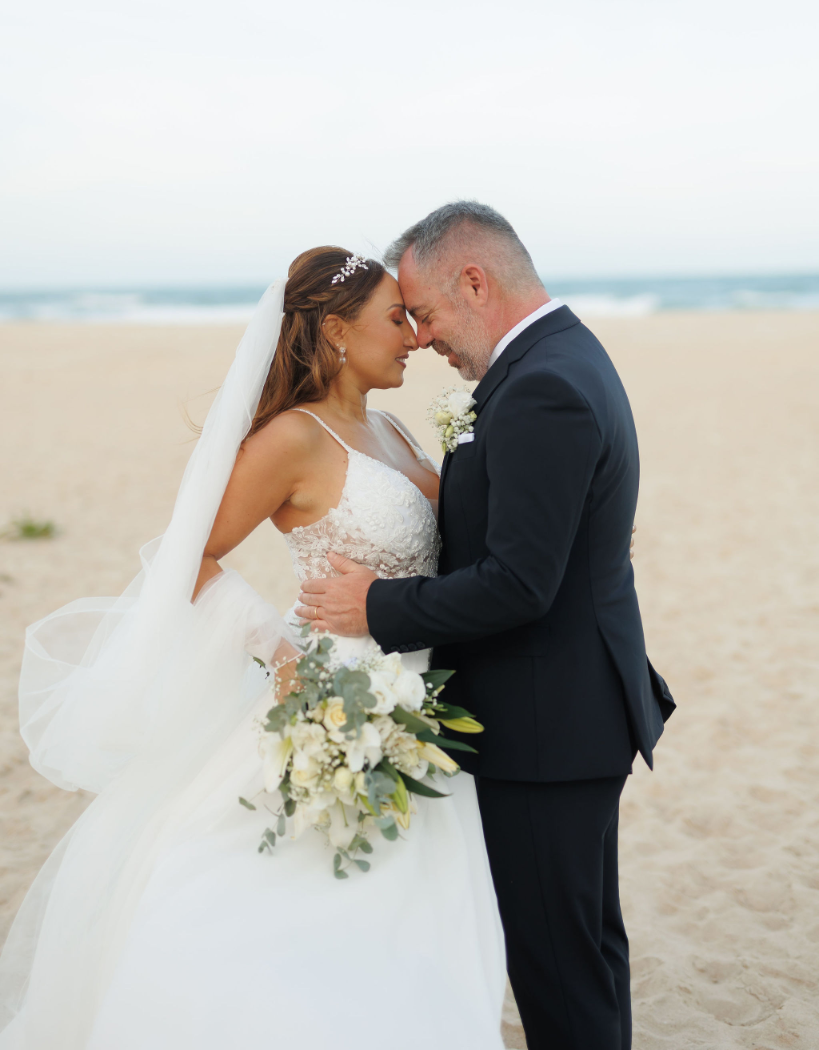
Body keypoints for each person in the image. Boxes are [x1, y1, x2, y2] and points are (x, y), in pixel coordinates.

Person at [0, 248, 506, 1050]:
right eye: (394, 317)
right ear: (337, 330)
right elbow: (189, 556)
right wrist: (281, 653)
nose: (412, 334)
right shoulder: (290, 439)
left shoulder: (393, 425)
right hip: (333, 700)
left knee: (415, 916)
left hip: (423, 703)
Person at [297, 202, 677, 1050]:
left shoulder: (540, 386)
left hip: (544, 730)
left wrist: (374, 607)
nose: (423, 338)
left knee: (559, 967)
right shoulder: (561, 357)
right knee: (579, 947)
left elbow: (519, 584)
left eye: (425, 313)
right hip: (567, 713)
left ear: (474, 281)